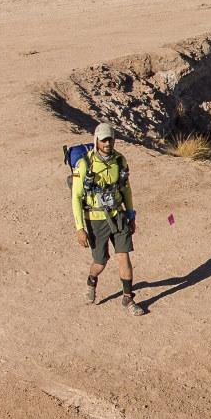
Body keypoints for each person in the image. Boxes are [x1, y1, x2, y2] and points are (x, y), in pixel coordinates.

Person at [72, 123, 146, 315]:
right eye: (104, 139)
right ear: (96, 140)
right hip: (96, 219)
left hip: (118, 215)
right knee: (100, 262)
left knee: (124, 256)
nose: (107, 143)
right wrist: (80, 228)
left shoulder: (120, 161)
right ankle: (91, 281)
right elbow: (76, 198)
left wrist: (130, 215)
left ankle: (128, 299)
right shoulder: (84, 164)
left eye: (110, 139)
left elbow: (126, 190)